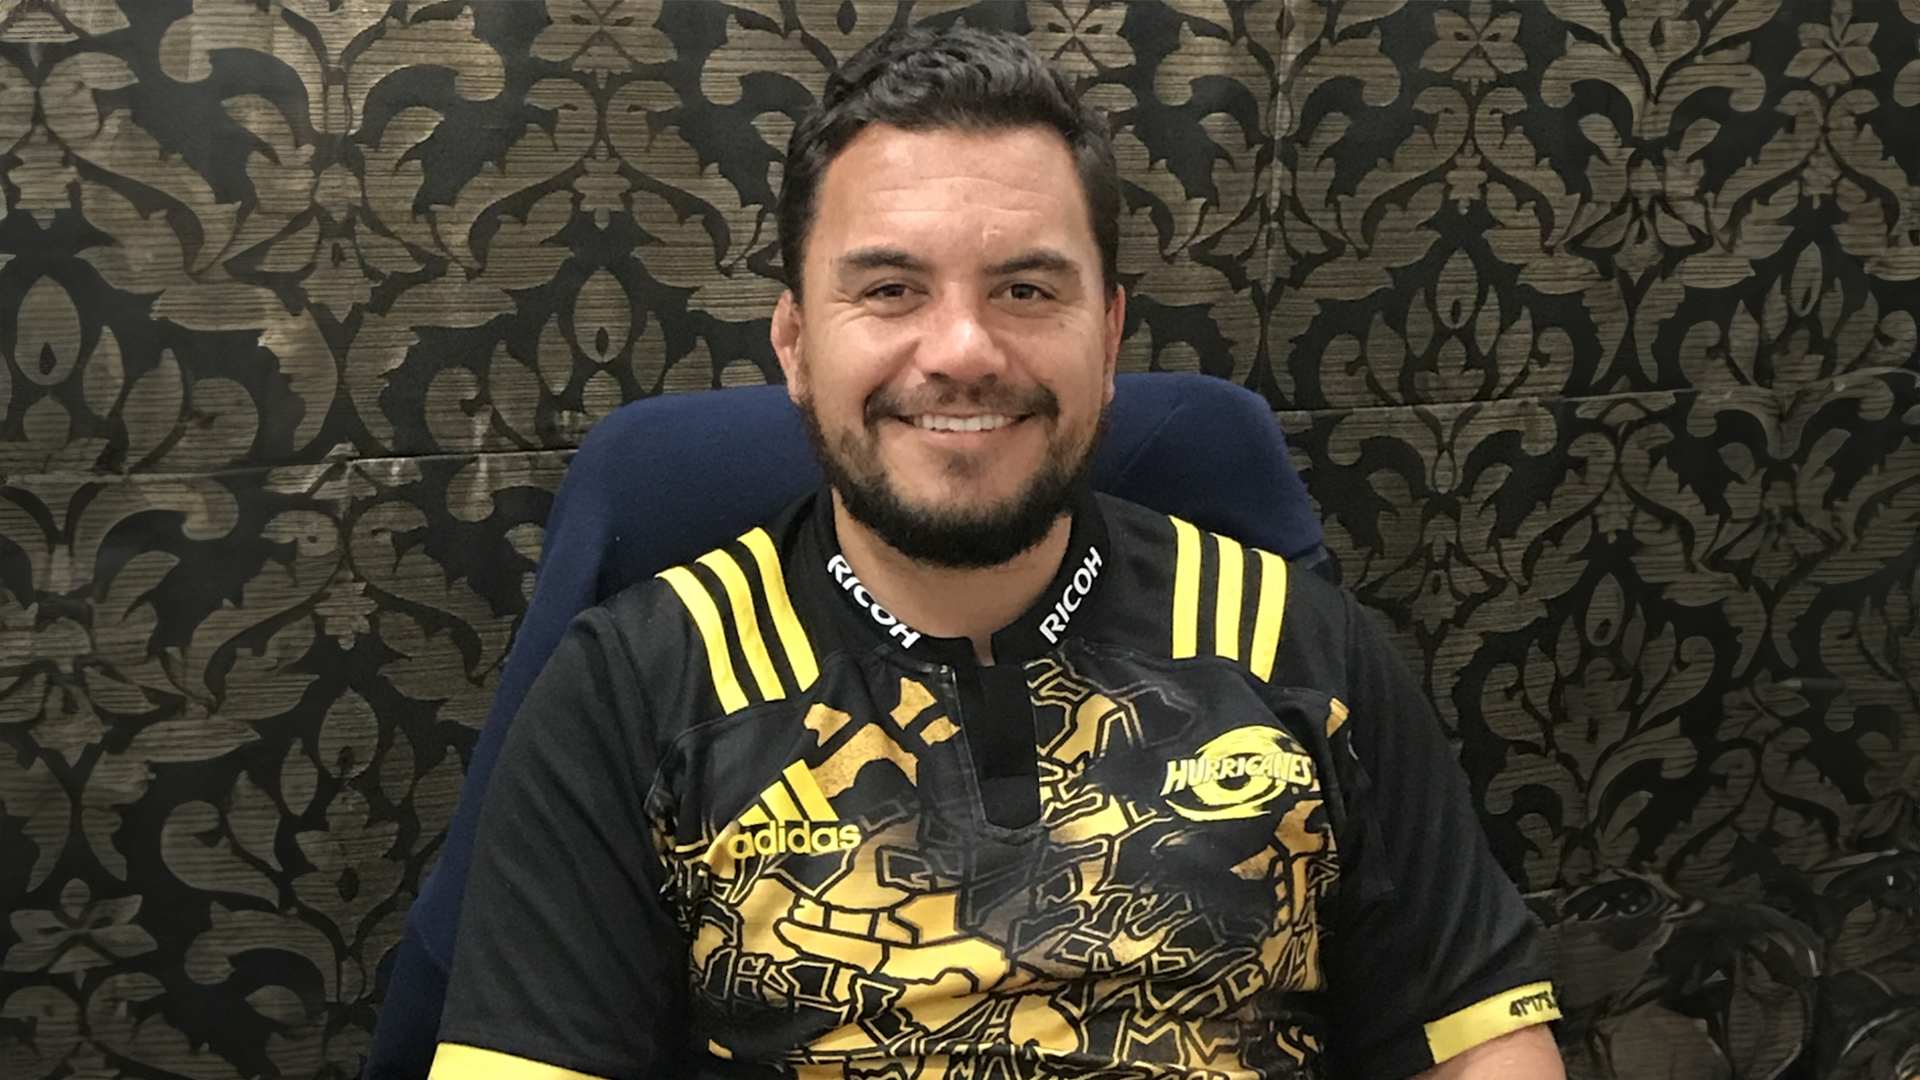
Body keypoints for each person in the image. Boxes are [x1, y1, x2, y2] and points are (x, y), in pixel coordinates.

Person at [427, 26, 1564, 1080]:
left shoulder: (1299, 648)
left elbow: (1482, 1046)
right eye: (890, 290)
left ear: (1107, 337)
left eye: (1025, 289)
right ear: (796, 343)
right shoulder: (635, 691)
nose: (964, 350)